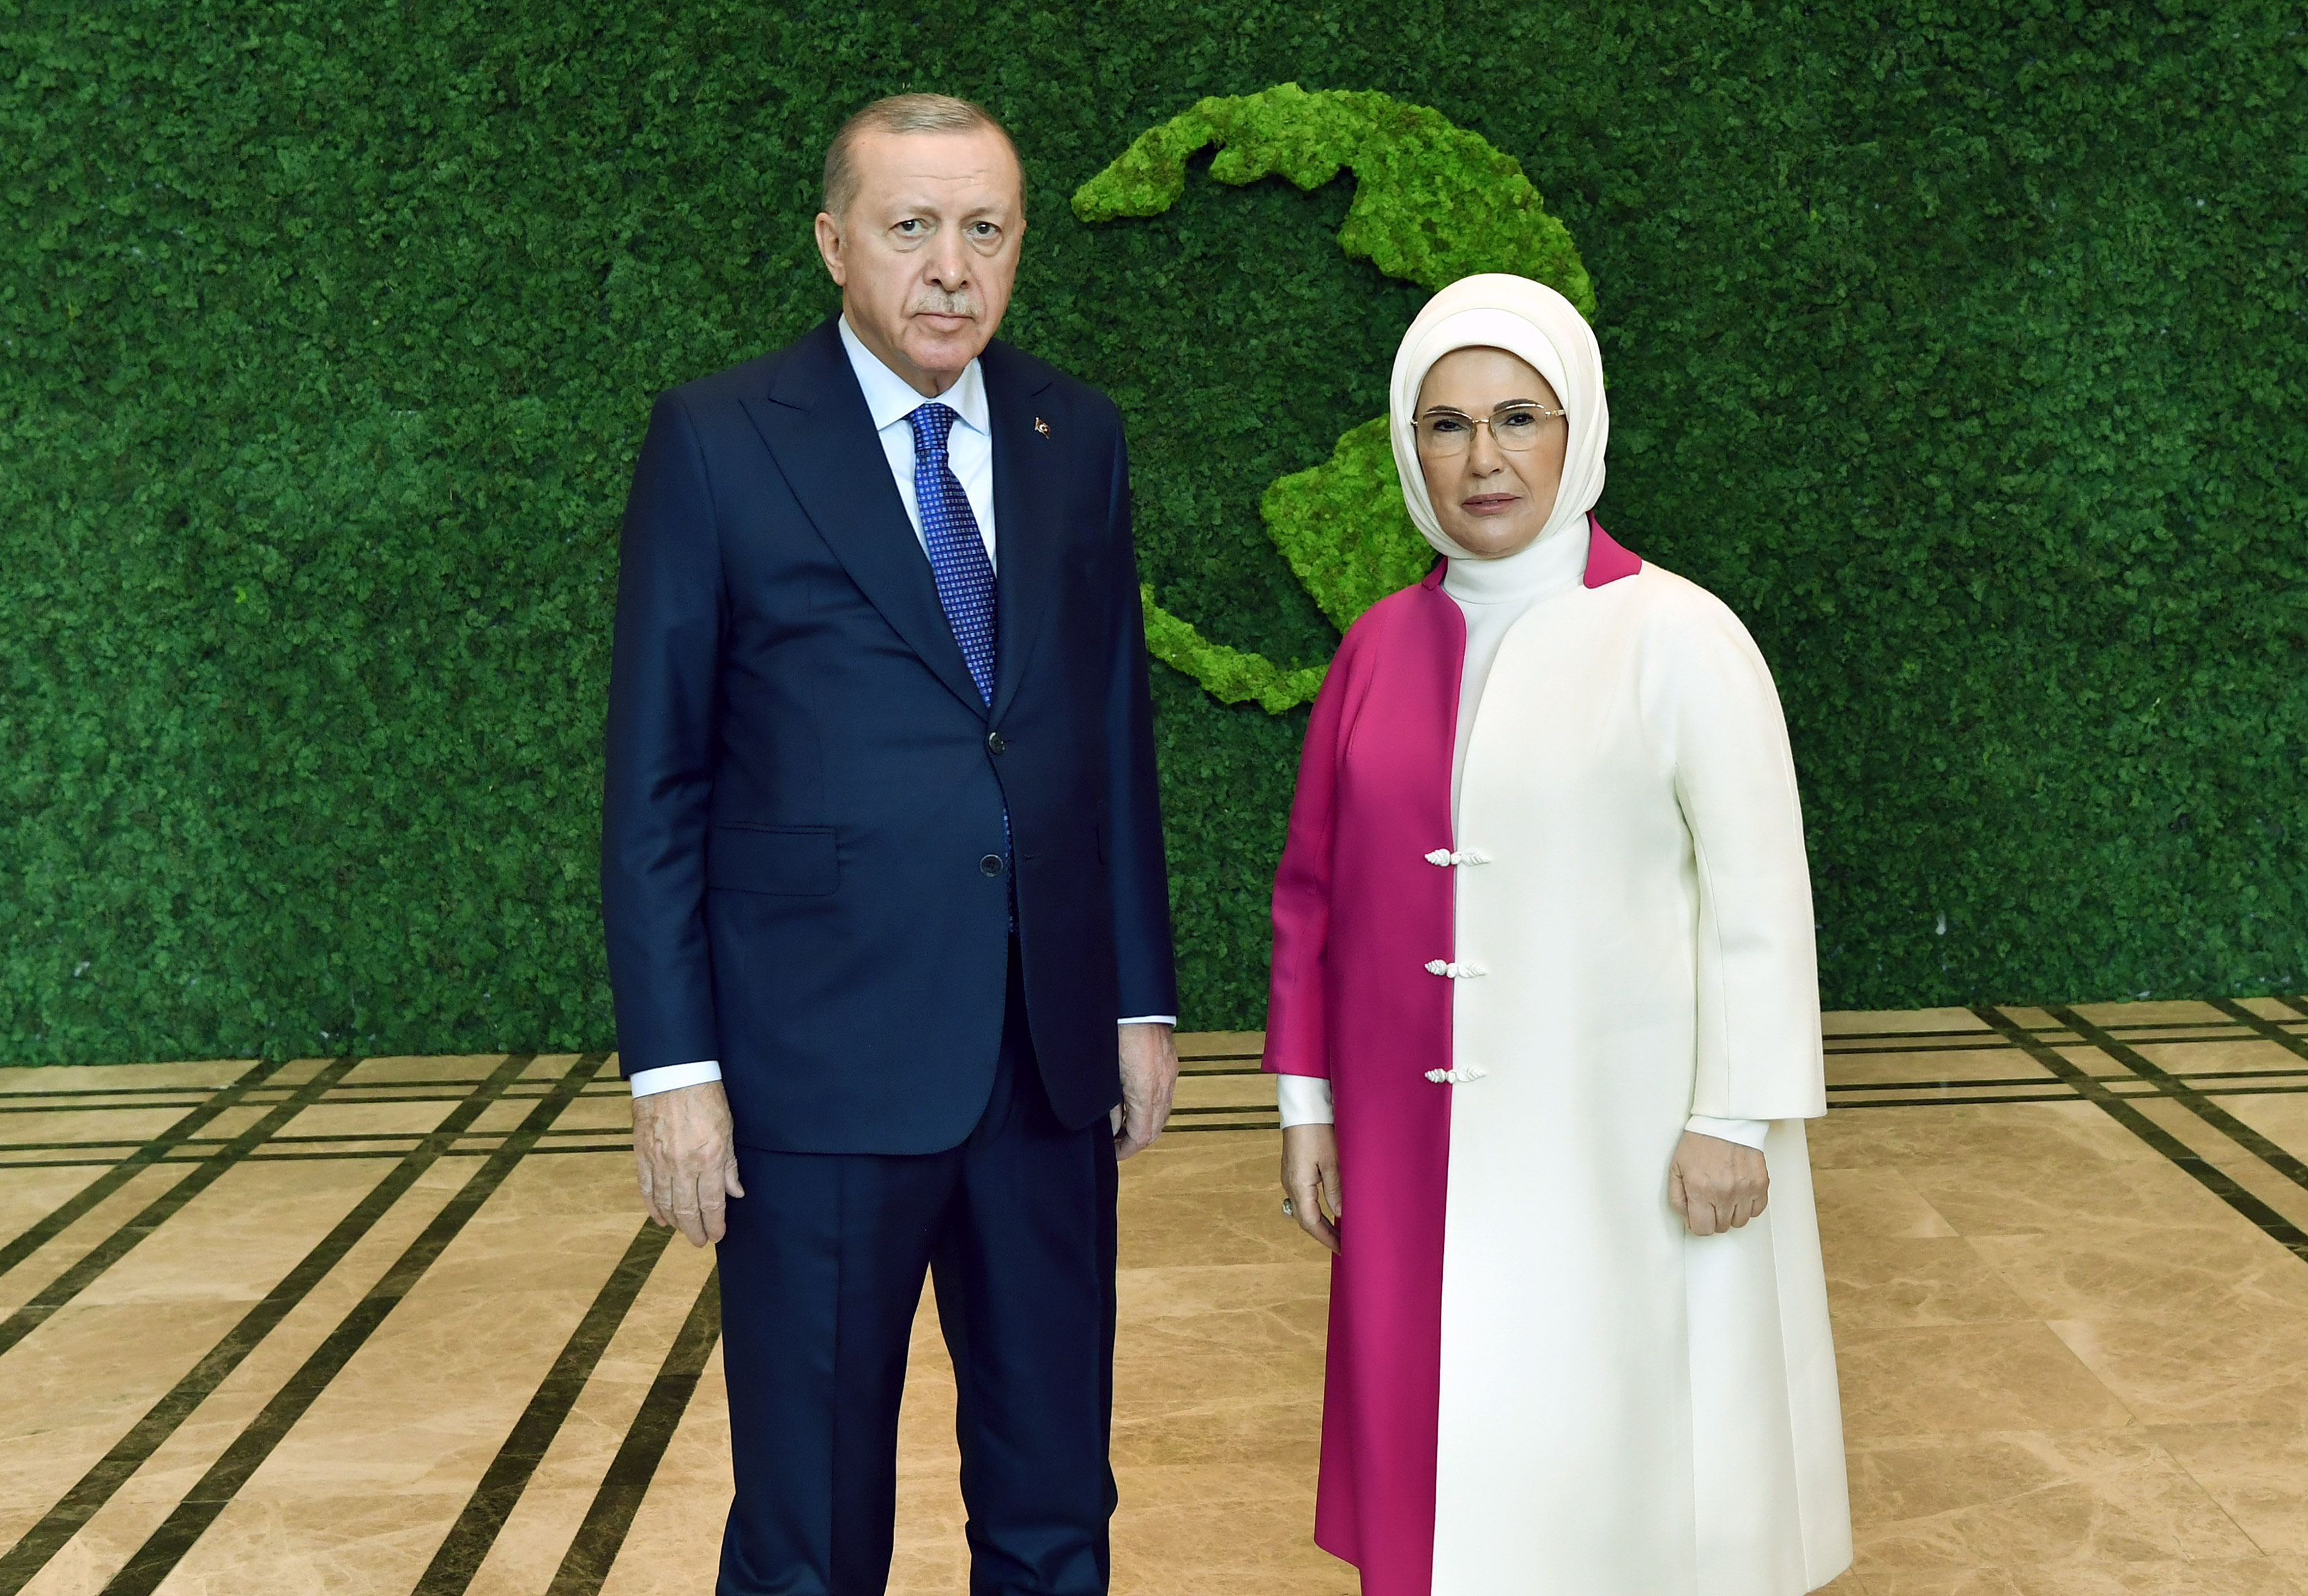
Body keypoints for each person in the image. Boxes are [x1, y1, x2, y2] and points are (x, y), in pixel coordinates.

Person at [600, 92, 1180, 1596]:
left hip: (1044, 1067)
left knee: (1055, 1507)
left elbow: (1109, 732)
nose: (950, 267)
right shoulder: (718, 437)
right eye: (911, 226)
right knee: (809, 1528)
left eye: (984, 229)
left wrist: (1136, 997)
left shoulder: (1074, 431)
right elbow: (655, 779)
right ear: (832, 243)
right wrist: (674, 1071)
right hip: (815, 1075)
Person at [1262, 272, 1850, 1596]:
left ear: (1577, 427)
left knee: (1630, 1454)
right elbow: (1312, 891)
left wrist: (1735, 1118)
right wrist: (1308, 1105)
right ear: (1409, 446)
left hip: (1630, 1137)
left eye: (1517, 417)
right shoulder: (1373, 648)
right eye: (1447, 423)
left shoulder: (1679, 634)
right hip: (1412, 1140)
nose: (1484, 457)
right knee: (1449, 1442)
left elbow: (1761, 895)